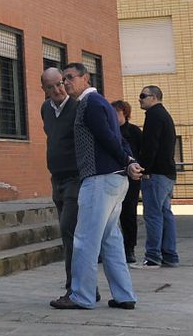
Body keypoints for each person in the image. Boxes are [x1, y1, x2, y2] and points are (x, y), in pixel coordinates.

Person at [51, 63, 143, 311]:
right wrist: (130, 161)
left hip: (99, 180)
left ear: (85, 78)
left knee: (84, 239)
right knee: (111, 239)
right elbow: (118, 138)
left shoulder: (89, 104)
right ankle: (125, 295)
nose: (65, 83)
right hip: (114, 179)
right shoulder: (101, 103)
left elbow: (107, 137)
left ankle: (81, 296)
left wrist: (127, 160)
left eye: (70, 78)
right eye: (63, 80)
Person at [38, 67, 81, 295]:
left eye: (60, 83)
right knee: (67, 234)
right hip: (57, 178)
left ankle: (76, 288)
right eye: (51, 86)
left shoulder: (77, 107)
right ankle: (80, 287)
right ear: (44, 89)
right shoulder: (45, 109)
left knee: (69, 230)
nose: (57, 89)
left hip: (76, 178)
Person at [137, 85, 179, 267]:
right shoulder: (165, 116)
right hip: (168, 173)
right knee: (165, 214)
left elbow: (150, 146)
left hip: (156, 174)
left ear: (153, 97)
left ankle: (153, 257)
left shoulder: (154, 116)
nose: (139, 99)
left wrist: (143, 170)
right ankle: (170, 256)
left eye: (142, 96)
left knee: (153, 215)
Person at [113, 99, 143, 263]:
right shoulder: (108, 131)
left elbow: (141, 152)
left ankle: (129, 248)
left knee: (128, 213)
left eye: (116, 112)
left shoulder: (134, 132)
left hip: (131, 179)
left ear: (124, 113)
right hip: (113, 177)